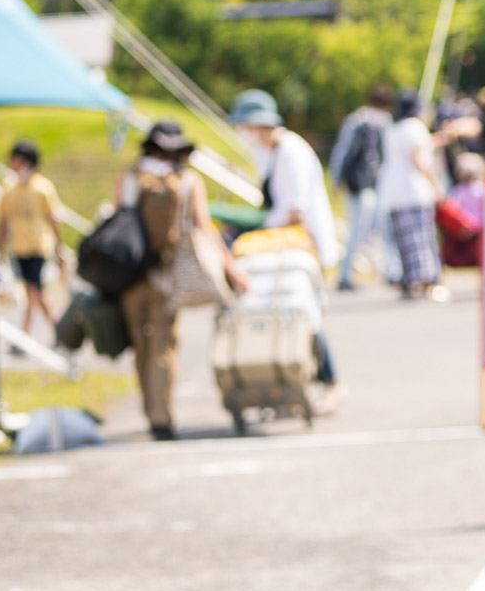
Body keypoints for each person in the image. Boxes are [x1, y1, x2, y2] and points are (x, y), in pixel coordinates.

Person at [117, 121, 244, 441]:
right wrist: (230, 267)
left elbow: (118, 220)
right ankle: (161, 418)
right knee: (164, 345)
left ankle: (149, 410)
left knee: (141, 346)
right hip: (167, 275)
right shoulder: (187, 180)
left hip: (130, 277)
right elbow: (204, 225)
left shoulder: (130, 176)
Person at [232, 90, 343, 395]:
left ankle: (328, 379)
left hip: (303, 242)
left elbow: (295, 209)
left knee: (305, 311)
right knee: (291, 311)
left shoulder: (291, 152)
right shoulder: (270, 152)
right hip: (286, 238)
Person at [0, 140, 67, 337]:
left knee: (32, 290)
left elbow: (52, 219)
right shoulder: (8, 188)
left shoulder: (43, 187)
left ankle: (24, 334)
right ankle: (60, 330)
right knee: (35, 292)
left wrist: (59, 247)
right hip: (19, 247)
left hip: (38, 246)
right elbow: (3, 221)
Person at [379, 90, 446, 301]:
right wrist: (436, 185)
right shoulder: (415, 127)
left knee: (404, 241)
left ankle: (409, 281)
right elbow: (420, 160)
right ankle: (424, 282)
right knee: (420, 239)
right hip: (413, 191)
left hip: (393, 192)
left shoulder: (393, 128)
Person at [330, 84, 392, 292]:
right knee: (362, 228)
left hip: (369, 184)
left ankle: (383, 270)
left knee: (371, 227)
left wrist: (337, 178)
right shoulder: (363, 122)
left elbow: (342, 150)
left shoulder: (362, 121)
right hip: (365, 184)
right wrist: (337, 178)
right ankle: (347, 275)